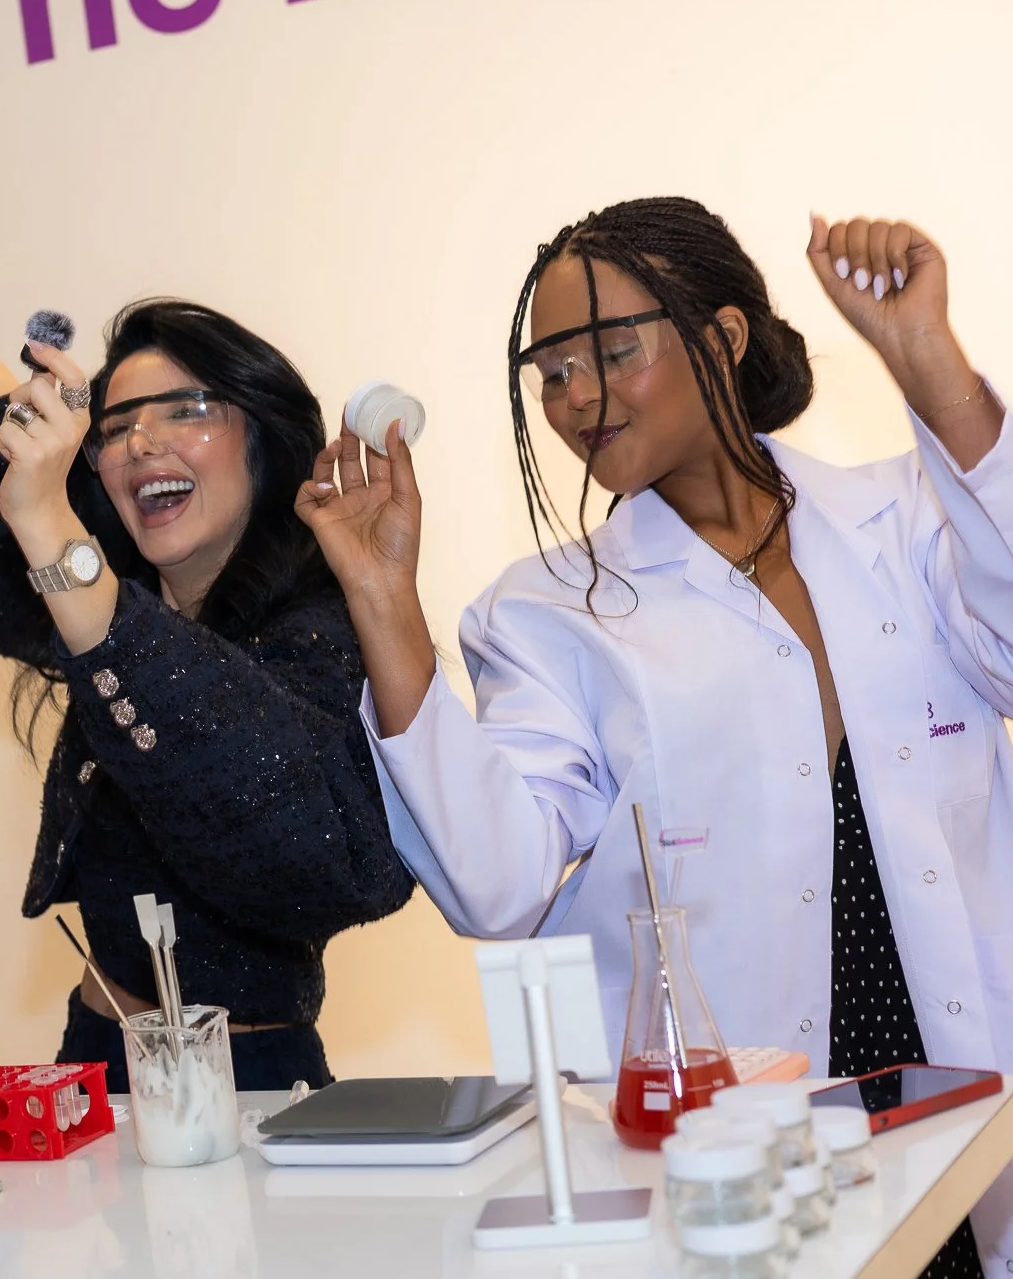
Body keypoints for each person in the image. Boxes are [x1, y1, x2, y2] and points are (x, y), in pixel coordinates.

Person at [301, 199, 1010, 1276]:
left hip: (959, 1103)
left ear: (719, 337)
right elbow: (496, 885)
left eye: (608, 353)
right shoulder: (543, 614)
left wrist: (925, 357)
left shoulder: (906, 519)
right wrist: (382, 601)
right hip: (730, 1157)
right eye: (549, 372)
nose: (574, 397)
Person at [0, 152, 409, 1088]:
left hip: (254, 1084)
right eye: (116, 426)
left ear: (264, 435)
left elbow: (301, 840)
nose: (140, 444)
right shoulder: (100, 591)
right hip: (92, 1061)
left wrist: (52, 527)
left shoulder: (323, 628)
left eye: (185, 411)